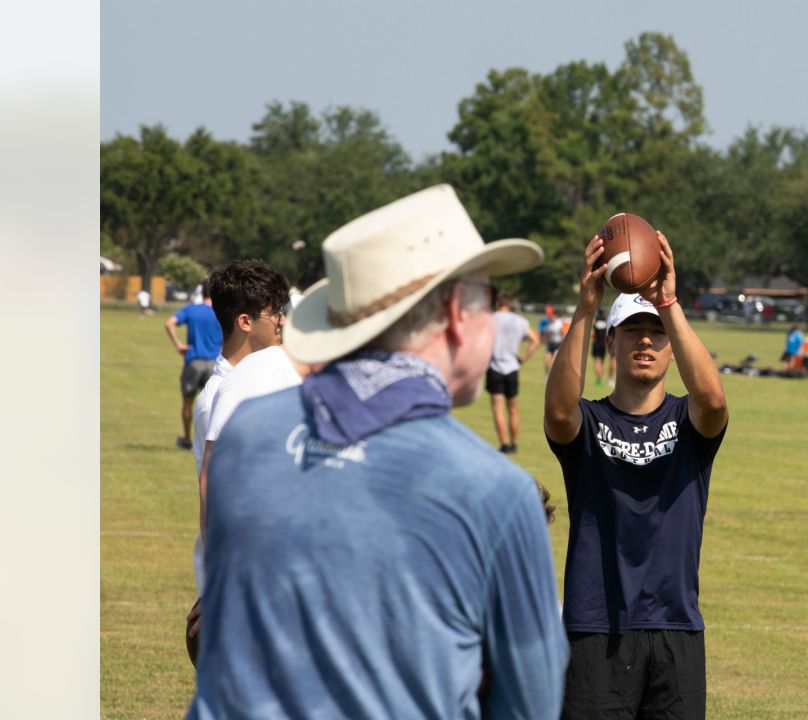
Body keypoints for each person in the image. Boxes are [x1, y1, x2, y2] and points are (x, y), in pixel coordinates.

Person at [188, 185, 568, 718]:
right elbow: (531, 704)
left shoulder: (249, 431)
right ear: (458, 313)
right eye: (489, 298)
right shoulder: (496, 494)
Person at [545, 230, 728, 720]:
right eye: (632, 330)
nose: (646, 340)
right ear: (612, 341)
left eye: (657, 332)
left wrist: (668, 302)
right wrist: (586, 308)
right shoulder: (589, 424)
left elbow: (713, 402)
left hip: (676, 626)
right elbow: (559, 413)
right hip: (596, 627)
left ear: (671, 346)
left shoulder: (690, 423)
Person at [183, 260, 291, 663]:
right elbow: (218, 493)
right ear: (245, 321)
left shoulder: (262, 377)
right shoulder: (223, 395)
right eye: (274, 312)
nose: (281, 320)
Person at [165, 291, 223, 450]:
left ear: (202, 292)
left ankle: (187, 439)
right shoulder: (222, 311)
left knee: (187, 402)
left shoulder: (192, 310)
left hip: (194, 362)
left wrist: (178, 344)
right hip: (214, 363)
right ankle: (211, 443)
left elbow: (169, 322)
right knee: (212, 406)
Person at [487, 290, 541, 454]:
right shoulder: (520, 321)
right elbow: (536, 340)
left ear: (498, 303)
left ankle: (504, 444)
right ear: (510, 305)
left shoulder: (490, 319)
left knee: (498, 408)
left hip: (495, 366)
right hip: (512, 367)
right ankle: (514, 444)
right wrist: (523, 358)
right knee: (513, 408)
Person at [590, 308, 614, 387]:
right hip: (604, 344)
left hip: (596, 343)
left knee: (597, 361)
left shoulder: (595, 321)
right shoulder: (606, 321)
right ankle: (603, 379)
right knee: (602, 362)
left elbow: (592, 332)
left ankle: (599, 379)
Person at [540, 304, 564, 375]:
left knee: (554, 362)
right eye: (550, 316)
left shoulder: (559, 323)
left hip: (558, 345)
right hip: (550, 345)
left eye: (552, 315)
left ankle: (554, 376)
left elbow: (562, 335)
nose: (551, 317)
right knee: (546, 362)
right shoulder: (548, 324)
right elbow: (546, 334)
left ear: (556, 316)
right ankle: (547, 375)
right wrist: (544, 340)